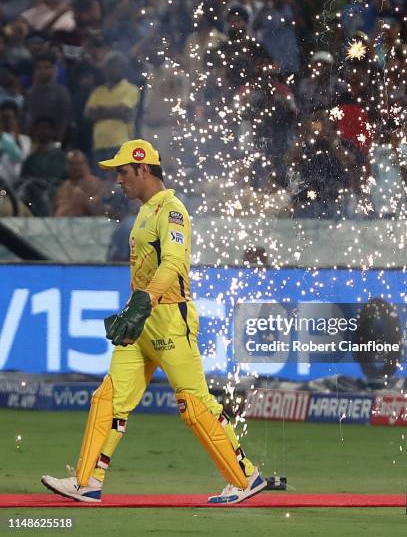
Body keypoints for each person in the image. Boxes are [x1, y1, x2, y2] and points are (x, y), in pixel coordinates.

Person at [41, 138, 266, 504]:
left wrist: (143, 300)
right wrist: (138, 305)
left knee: (194, 404)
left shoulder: (172, 211)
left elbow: (174, 264)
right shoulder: (145, 210)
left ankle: (245, 478)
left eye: (123, 172)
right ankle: (87, 481)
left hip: (169, 317)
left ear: (143, 169)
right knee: (110, 398)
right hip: (142, 318)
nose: (118, 180)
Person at [84, 52, 139, 174]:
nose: (112, 70)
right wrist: (115, 111)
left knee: (119, 185)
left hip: (120, 144)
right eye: (109, 66)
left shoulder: (130, 89)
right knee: (100, 186)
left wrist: (100, 111)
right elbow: (88, 114)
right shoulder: (98, 91)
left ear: (124, 68)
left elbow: (123, 110)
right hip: (99, 145)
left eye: (116, 66)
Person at [53, 150, 103, 216]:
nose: (75, 167)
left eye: (78, 163)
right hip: (65, 223)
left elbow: (98, 208)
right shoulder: (64, 187)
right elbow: (57, 212)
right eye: (72, 164)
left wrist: (83, 199)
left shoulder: (96, 183)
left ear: (86, 164)